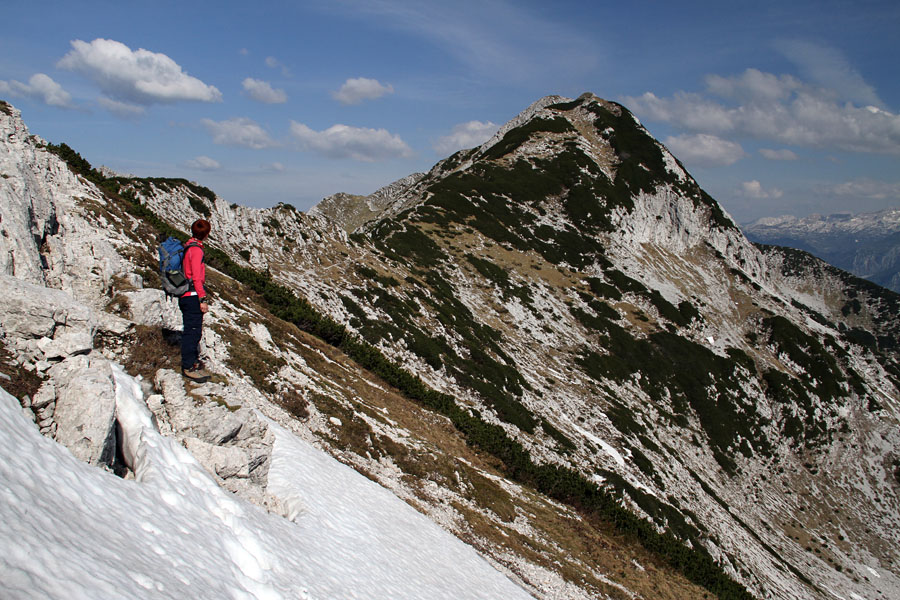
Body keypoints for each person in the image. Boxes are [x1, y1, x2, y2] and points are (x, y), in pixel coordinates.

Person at [179, 219, 211, 382]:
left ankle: (192, 362)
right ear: (206, 234)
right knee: (192, 332)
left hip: (186, 295)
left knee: (191, 330)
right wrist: (202, 299)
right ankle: (188, 366)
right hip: (192, 297)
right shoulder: (197, 250)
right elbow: (197, 278)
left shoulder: (188, 246)